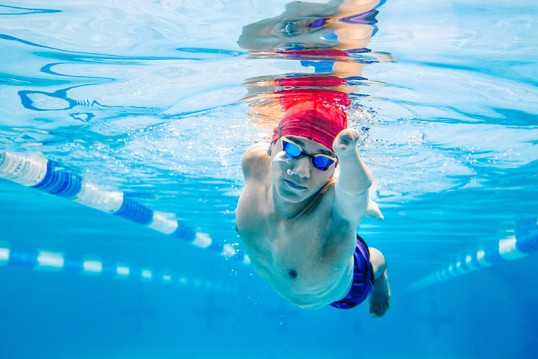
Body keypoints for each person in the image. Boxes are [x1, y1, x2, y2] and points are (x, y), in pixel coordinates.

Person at [235, 99, 390, 317]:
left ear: (333, 168)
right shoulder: (254, 163)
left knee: (374, 260)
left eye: (321, 161)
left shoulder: (334, 208)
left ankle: (380, 274)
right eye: (291, 148)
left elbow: (354, 192)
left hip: (346, 288)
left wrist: (348, 155)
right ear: (272, 143)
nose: (301, 171)